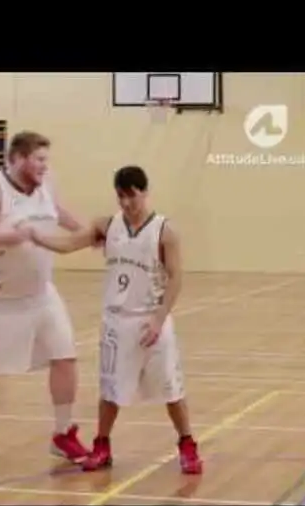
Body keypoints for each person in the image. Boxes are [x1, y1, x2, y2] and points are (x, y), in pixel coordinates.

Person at [24, 165, 203, 474]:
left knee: (171, 389)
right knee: (110, 390)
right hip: (116, 322)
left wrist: (160, 318)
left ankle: (187, 444)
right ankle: (102, 445)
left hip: (151, 321)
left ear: (144, 192)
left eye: (132, 196)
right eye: (121, 196)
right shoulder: (107, 226)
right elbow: (68, 244)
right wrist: (35, 236)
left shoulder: (165, 230)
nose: (126, 203)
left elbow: (175, 278)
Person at [0, 130, 89, 463]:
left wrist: (86, 232)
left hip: (40, 293)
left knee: (65, 356)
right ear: (20, 158)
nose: (44, 166)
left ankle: (63, 432)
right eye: (39, 159)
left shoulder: (44, 186)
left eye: (45, 160)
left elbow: (57, 212)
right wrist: (9, 236)